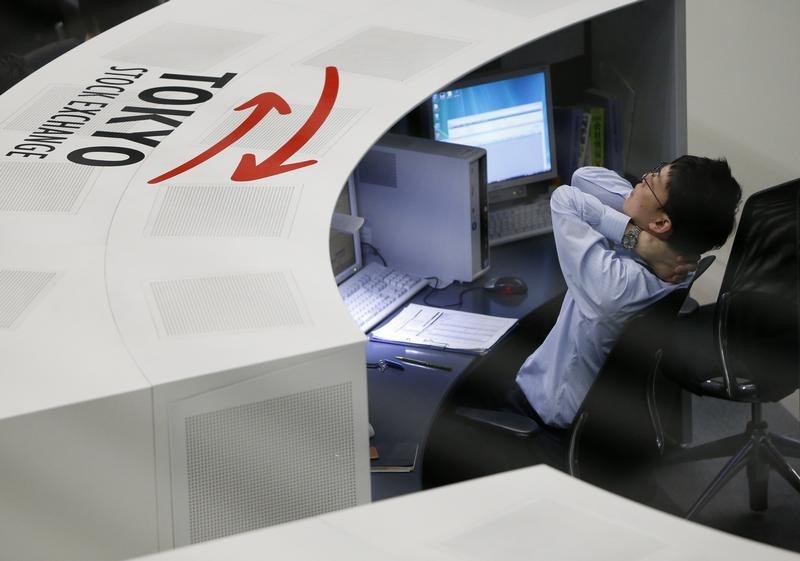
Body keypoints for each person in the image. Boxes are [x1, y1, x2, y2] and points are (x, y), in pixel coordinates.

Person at [509, 157, 742, 430]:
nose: (643, 176)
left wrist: (633, 235)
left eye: (651, 182)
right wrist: (638, 235)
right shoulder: (682, 263)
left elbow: (565, 198)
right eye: (654, 170)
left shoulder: (615, 283)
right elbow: (584, 176)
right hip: (601, 420)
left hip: (543, 415)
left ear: (660, 224)